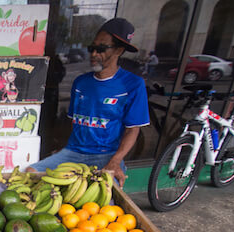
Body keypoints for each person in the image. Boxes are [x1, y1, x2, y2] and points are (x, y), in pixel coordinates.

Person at [28, 18, 149, 187]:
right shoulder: (80, 82)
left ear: (119, 51)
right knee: (30, 174)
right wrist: (63, 149)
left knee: (105, 197)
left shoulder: (133, 84)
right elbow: (74, 122)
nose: (93, 54)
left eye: (101, 49)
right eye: (92, 48)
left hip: (107, 155)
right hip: (73, 152)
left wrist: (116, 161)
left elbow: (132, 130)